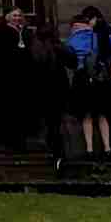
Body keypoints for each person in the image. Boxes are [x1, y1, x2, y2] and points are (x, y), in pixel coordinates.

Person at [65, 7, 111, 158]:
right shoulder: (97, 35)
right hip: (99, 77)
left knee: (86, 116)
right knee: (103, 115)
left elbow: (68, 57)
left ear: (73, 26)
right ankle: (107, 148)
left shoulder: (71, 40)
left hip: (82, 78)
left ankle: (89, 149)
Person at [0, 8, 33, 152]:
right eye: (14, 15)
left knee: (21, 111)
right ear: (8, 17)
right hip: (6, 77)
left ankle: (21, 142)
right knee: (7, 111)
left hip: (22, 78)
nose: (17, 18)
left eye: (19, 15)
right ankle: (8, 143)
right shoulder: (0, 32)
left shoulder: (25, 31)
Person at [28, 23, 71, 166]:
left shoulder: (35, 49)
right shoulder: (59, 47)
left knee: (49, 123)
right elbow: (73, 62)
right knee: (57, 122)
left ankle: (52, 150)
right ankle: (59, 153)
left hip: (42, 91)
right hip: (59, 90)